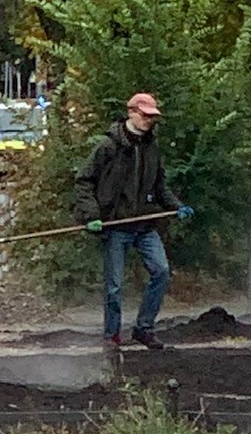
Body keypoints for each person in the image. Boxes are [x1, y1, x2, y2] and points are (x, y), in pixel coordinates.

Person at [73, 92, 193, 350]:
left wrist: (177, 206)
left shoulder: (151, 149)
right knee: (114, 286)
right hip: (116, 226)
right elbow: (84, 182)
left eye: (152, 117)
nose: (149, 121)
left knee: (161, 272)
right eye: (145, 115)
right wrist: (91, 216)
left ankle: (144, 328)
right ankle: (112, 336)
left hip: (144, 225)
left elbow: (160, 186)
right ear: (131, 112)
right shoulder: (107, 147)